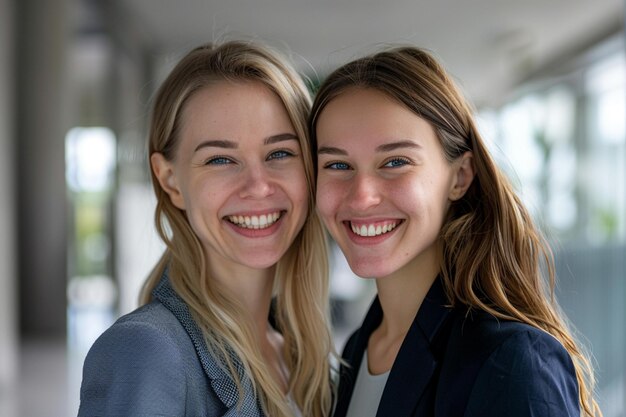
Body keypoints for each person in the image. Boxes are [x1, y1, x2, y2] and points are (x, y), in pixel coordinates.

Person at [309, 46, 601, 417]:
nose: (362, 195)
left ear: (460, 177)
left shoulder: (511, 360)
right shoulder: (358, 350)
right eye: (337, 164)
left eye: (395, 162)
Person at [78, 40, 335, 417]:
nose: (258, 186)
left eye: (280, 153)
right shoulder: (146, 350)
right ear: (170, 180)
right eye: (220, 159)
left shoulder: (303, 359)